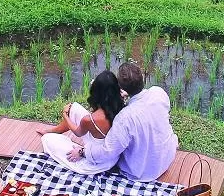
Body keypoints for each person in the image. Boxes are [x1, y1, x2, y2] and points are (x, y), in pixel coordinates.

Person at [43, 61, 178, 181]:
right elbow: (145, 111)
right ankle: (54, 130)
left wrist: (82, 152)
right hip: (166, 157)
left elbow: (108, 152)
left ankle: (51, 135)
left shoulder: (125, 118)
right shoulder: (158, 93)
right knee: (75, 109)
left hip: (143, 171)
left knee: (48, 141)